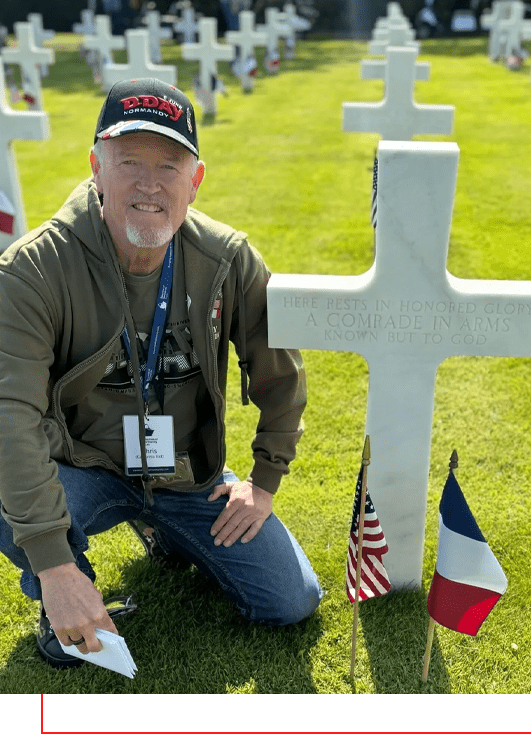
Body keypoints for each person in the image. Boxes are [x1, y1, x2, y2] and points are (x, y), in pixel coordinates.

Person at [0, 78, 322, 670]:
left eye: (169, 165)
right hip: (81, 466)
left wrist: (264, 480)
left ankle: (167, 529)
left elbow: (282, 374)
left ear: (194, 180)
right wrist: (52, 563)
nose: (149, 184)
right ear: (97, 167)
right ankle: (66, 601)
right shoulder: (31, 272)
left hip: (187, 473)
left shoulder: (228, 260)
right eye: (129, 162)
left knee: (290, 600)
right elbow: (9, 419)